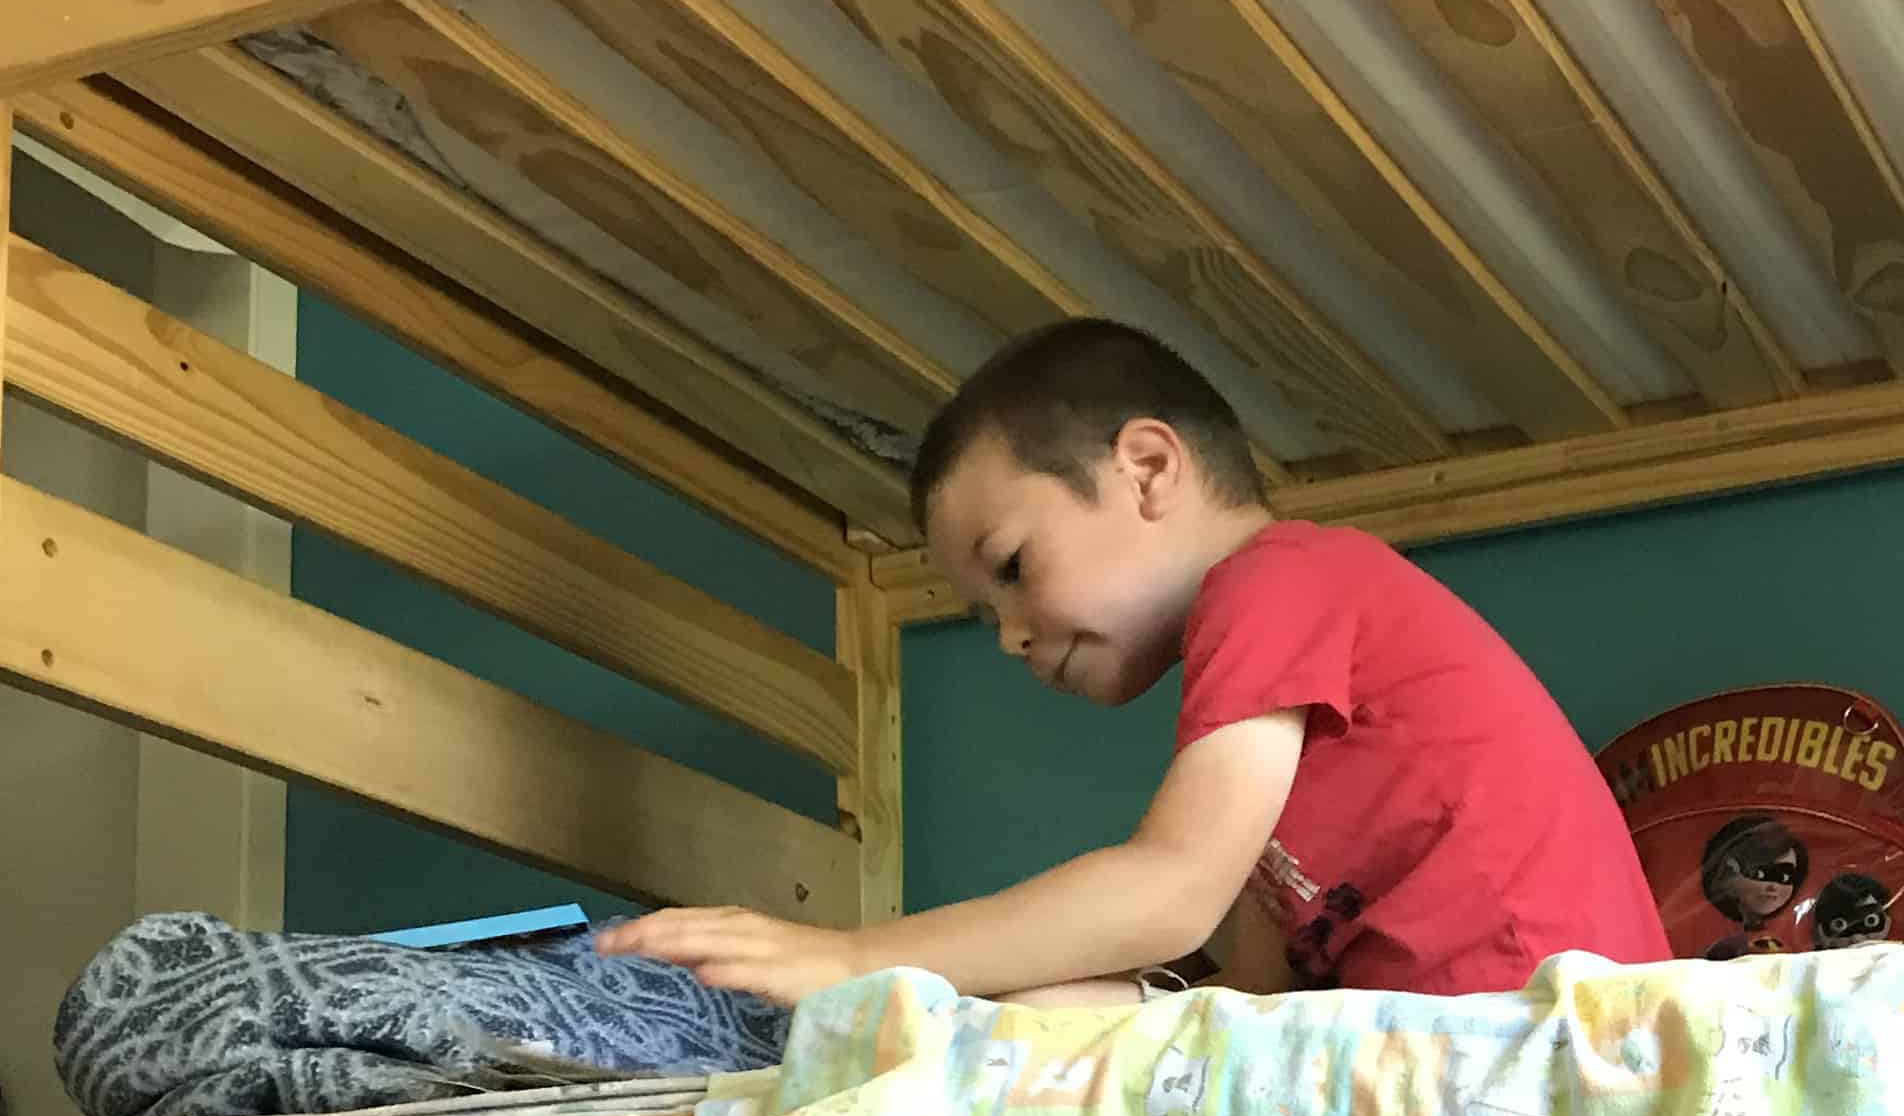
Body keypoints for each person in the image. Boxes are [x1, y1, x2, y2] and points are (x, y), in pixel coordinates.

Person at [596, 319, 1670, 1010]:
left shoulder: (1281, 581)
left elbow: (1170, 891)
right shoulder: (1261, 704)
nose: (1012, 634)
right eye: (984, 616)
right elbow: (1251, 987)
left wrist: (847, 959)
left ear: (1149, 468)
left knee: (1037, 1018)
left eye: (1013, 568)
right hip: (1450, 1024)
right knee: (1049, 1017)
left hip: (1537, 1025)